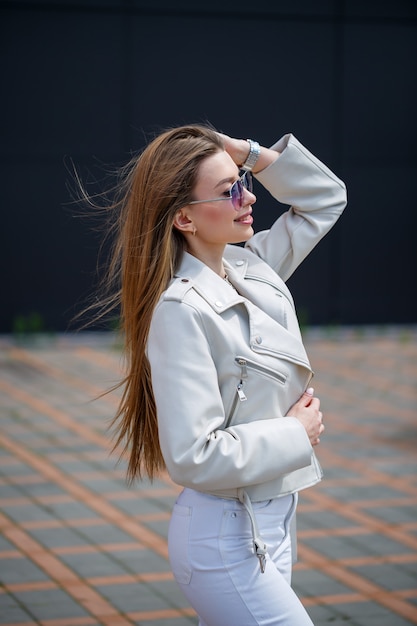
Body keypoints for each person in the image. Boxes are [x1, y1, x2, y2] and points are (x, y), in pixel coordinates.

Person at [96, 123, 347, 625]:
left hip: (273, 521)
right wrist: (295, 433)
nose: (247, 196)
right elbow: (192, 456)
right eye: (229, 190)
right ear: (184, 217)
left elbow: (325, 199)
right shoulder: (180, 309)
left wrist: (244, 153)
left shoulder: (250, 266)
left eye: (243, 180)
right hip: (225, 537)